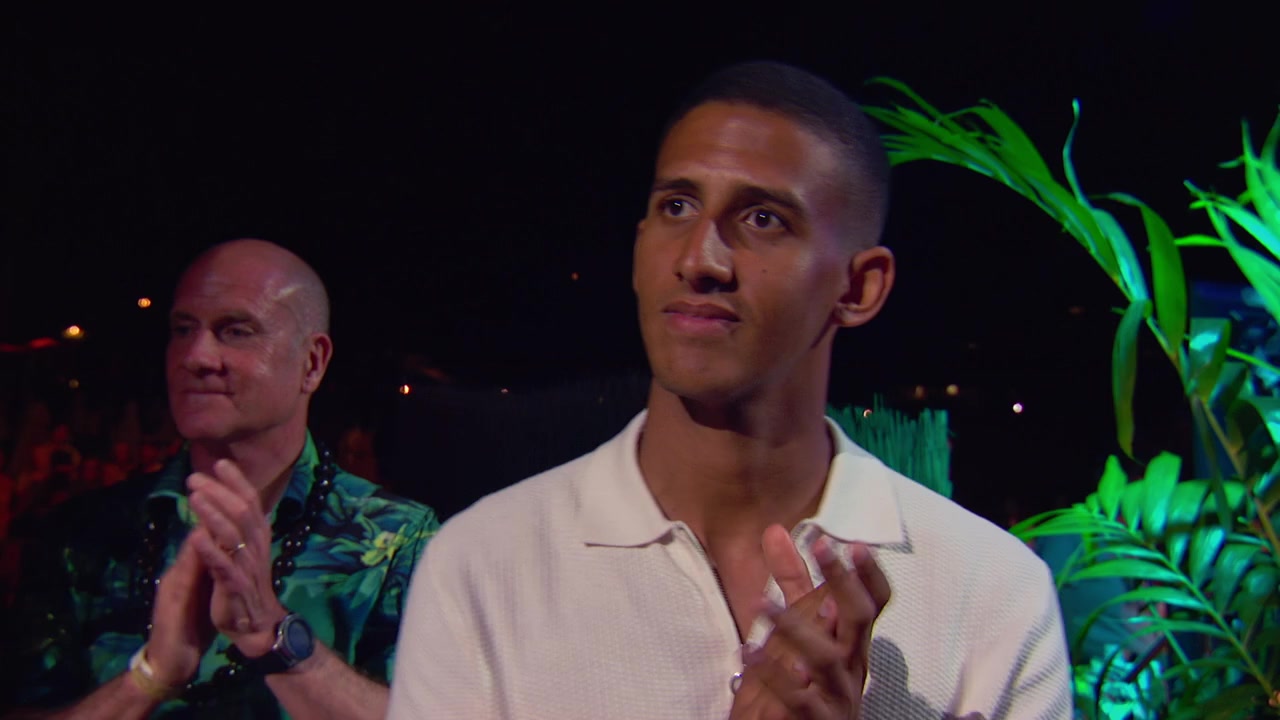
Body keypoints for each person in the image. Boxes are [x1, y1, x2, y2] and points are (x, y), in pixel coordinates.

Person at [387, 61, 1072, 719]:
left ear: (858, 288)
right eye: (677, 206)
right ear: (639, 247)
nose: (699, 259)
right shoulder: (483, 568)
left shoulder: (991, 594)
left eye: (763, 219)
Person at [4, 239, 439, 719]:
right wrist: (151, 677)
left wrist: (273, 635)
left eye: (236, 331)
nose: (197, 356)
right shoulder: (84, 536)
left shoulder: (397, 540)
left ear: (312, 362)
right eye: (182, 329)